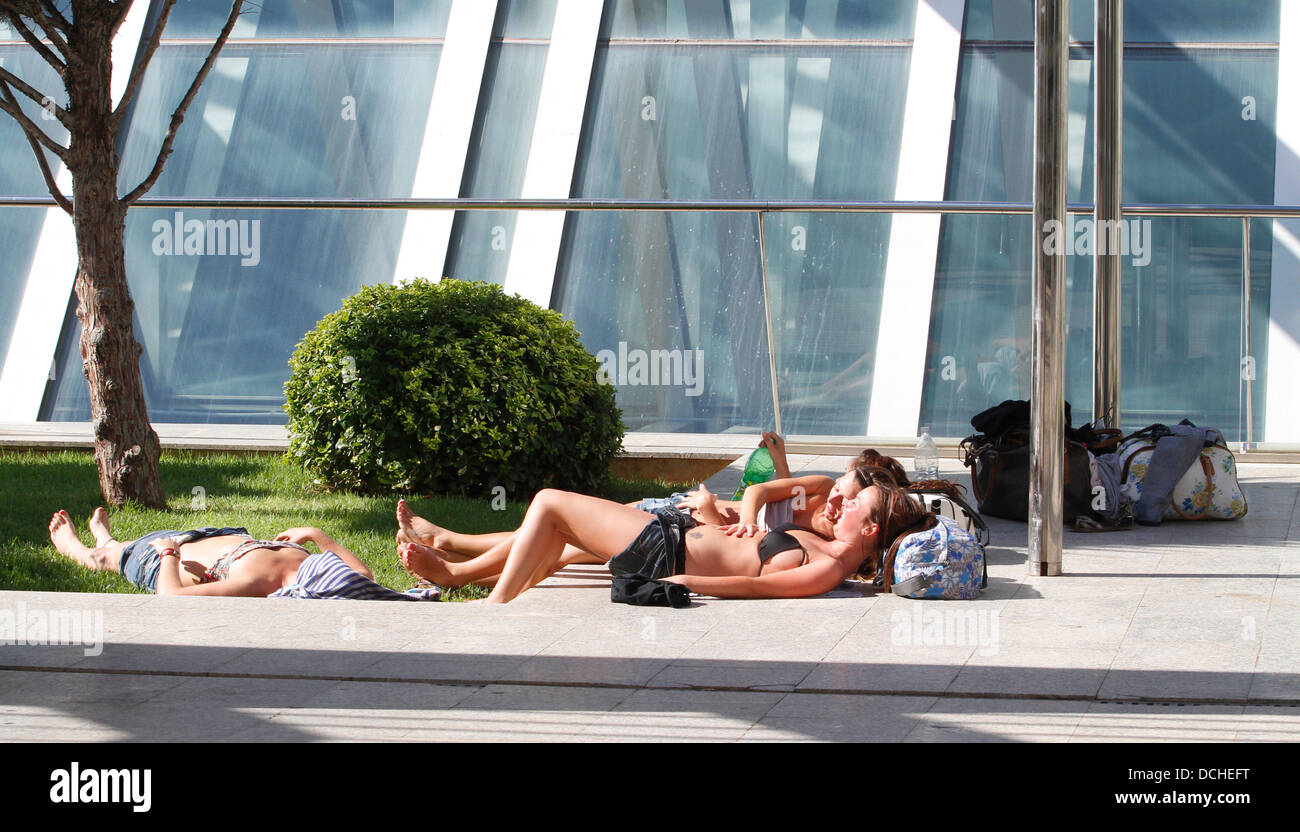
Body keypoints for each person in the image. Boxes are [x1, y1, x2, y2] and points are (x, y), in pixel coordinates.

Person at [400, 474, 932, 603]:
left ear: (869, 530)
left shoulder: (830, 567)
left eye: (853, 505)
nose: (839, 506)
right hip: (673, 536)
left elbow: (757, 589)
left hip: (667, 549)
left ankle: (490, 604)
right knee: (557, 533)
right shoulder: (825, 547)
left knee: (549, 503)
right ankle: (457, 571)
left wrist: (681, 581)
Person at [47, 509, 436, 600]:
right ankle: (107, 539)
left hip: (166, 559)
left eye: (327, 565)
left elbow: (172, 598)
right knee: (119, 546)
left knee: (116, 558)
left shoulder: (257, 582)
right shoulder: (326, 573)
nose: (331, 561)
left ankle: (85, 548)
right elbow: (363, 574)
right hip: (221, 536)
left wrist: (167, 554)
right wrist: (318, 536)